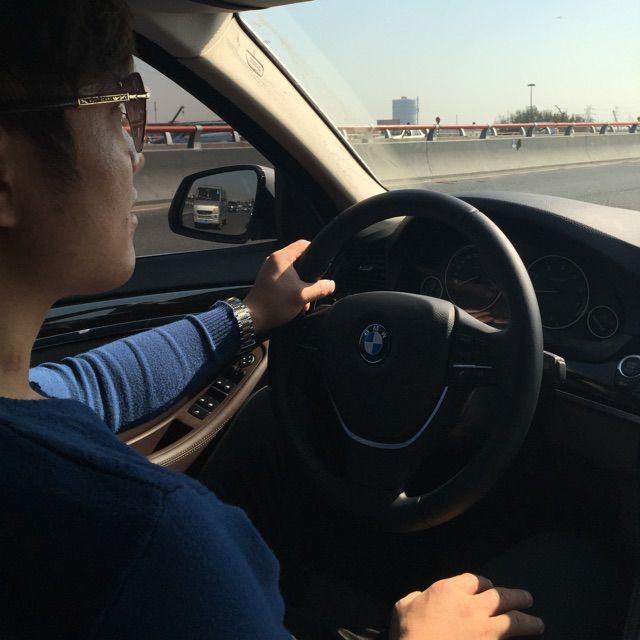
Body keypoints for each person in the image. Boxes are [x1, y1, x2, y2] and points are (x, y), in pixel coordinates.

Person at [3, 1, 612, 638]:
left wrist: (250, 316)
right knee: (579, 568)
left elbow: (83, 388)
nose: (138, 151)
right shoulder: (156, 543)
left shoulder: (32, 420)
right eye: (121, 113)